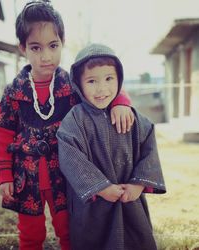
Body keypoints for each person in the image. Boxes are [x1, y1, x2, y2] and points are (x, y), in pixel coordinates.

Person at [0, 2, 134, 250]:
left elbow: (99, 91)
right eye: (36, 48)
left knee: (69, 231)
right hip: (26, 177)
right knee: (30, 235)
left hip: (65, 176)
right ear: (23, 48)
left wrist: (121, 101)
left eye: (53, 46)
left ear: (62, 42)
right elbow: (3, 134)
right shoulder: (14, 91)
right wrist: (5, 176)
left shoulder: (72, 85)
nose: (46, 56)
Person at [57, 43, 166, 250]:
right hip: (93, 205)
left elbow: (149, 143)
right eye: (91, 81)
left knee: (135, 239)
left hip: (129, 200)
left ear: (119, 79)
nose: (102, 89)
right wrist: (101, 187)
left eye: (109, 79)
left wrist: (138, 185)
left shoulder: (130, 116)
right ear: (78, 84)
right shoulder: (75, 120)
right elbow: (70, 156)